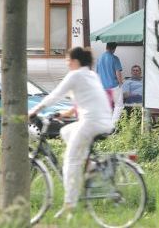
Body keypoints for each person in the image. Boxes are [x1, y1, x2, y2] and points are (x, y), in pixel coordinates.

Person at [29, 47, 113, 220]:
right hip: (102, 121)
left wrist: (34, 110)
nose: (66, 63)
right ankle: (90, 165)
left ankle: (69, 206)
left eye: (67, 60)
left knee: (70, 161)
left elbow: (55, 95)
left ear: (74, 61)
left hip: (90, 123)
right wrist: (65, 114)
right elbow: (86, 101)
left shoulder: (75, 75)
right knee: (66, 130)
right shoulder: (91, 75)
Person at [96, 42, 124, 123]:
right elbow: (118, 72)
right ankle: (113, 125)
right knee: (119, 106)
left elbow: (98, 74)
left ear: (106, 47)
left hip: (103, 87)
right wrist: (120, 83)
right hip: (114, 86)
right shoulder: (114, 58)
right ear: (114, 49)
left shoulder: (99, 58)